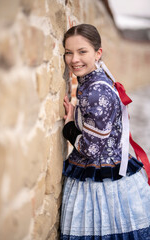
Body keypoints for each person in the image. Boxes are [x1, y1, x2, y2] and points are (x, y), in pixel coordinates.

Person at [61, 23, 150, 240]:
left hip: (101, 179)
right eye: (68, 53)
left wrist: (69, 126)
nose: (74, 59)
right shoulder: (98, 79)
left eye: (82, 52)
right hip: (111, 168)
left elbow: (91, 149)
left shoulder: (96, 90)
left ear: (97, 53)